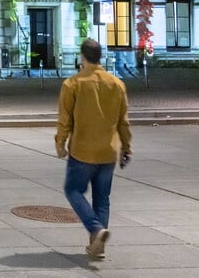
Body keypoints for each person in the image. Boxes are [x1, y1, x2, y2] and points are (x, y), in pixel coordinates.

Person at [55, 38, 132, 260]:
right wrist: (126, 147)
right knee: (102, 199)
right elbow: (123, 121)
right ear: (100, 57)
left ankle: (96, 229)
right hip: (108, 151)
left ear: (82, 57)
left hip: (83, 150)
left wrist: (60, 143)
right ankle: (97, 246)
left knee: (73, 190)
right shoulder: (117, 84)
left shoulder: (73, 84)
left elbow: (65, 120)